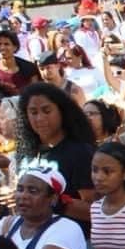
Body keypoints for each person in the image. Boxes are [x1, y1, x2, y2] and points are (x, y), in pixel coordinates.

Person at [15, 83, 96, 222]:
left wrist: (51, 202)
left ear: (62, 112)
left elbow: (95, 211)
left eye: (46, 111)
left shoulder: (80, 152)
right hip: (30, 236)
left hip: (70, 237)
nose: (40, 118)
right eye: (33, 112)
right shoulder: (25, 153)